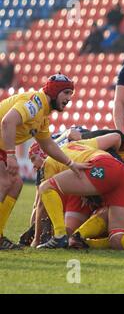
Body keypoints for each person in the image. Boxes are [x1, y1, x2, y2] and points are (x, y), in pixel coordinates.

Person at [0, 74, 90, 249]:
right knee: (5, 182)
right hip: (4, 150)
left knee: (16, 183)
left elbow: (48, 144)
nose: (69, 99)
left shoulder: (43, 115)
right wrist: (11, 155)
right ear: (54, 92)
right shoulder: (35, 103)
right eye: (66, 93)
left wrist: (71, 164)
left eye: (71, 94)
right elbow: (7, 122)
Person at [33, 132, 124, 250]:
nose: (33, 165)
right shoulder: (80, 144)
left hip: (100, 168)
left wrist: (36, 239)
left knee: (45, 188)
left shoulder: (49, 161)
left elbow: (42, 204)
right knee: (117, 240)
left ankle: (59, 236)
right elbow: (116, 137)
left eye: (32, 158)